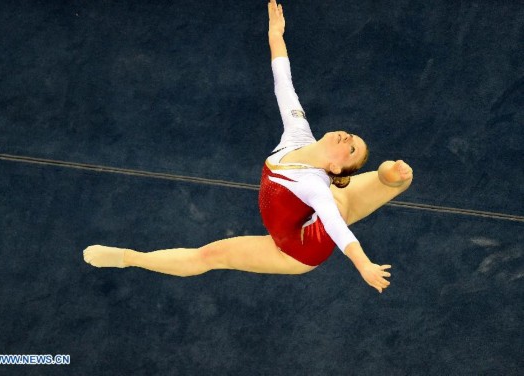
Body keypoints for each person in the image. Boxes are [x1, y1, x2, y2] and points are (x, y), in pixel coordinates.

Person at [83, 0, 413, 293]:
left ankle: (130, 258)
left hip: (299, 249)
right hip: (324, 207)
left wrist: (364, 265)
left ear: (337, 167)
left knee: (210, 255)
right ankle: (388, 175)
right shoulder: (299, 134)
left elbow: (338, 229)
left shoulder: (314, 186)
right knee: (373, 187)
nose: (348, 138)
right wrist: (276, 36)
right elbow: (284, 84)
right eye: (351, 136)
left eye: (352, 148)